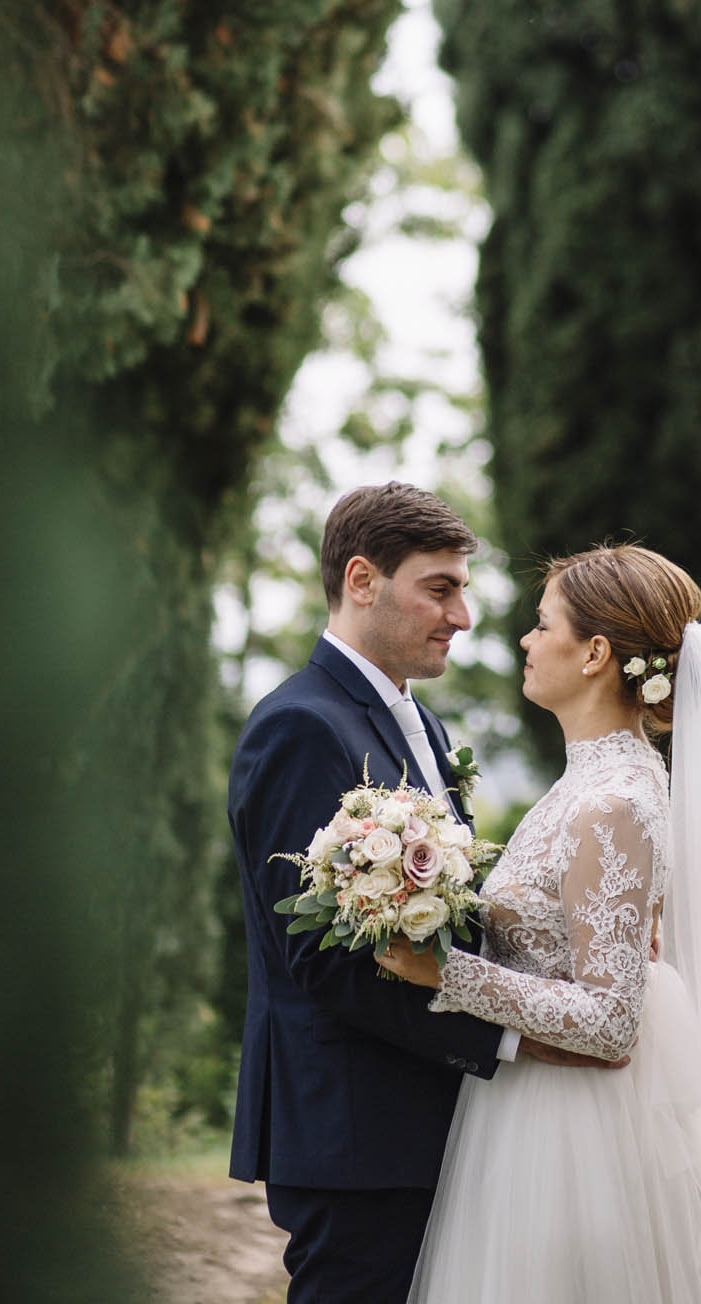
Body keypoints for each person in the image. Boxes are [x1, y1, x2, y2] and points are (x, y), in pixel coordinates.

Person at [377, 542, 701, 1304]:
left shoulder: (614, 803)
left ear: (595, 651)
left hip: (576, 1136)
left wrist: (447, 972)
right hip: (529, 1108)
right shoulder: (589, 784)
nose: (525, 642)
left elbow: (609, 1020)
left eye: (541, 625)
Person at [227, 482, 622, 1304]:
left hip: (429, 1121)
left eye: (462, 590)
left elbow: (443, 922)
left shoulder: (425, 728)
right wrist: (510, 1044)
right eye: (438, 589)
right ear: (362, 580)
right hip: (355, 1130)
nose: (463, 616)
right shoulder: (300, 726)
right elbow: (321, 961)